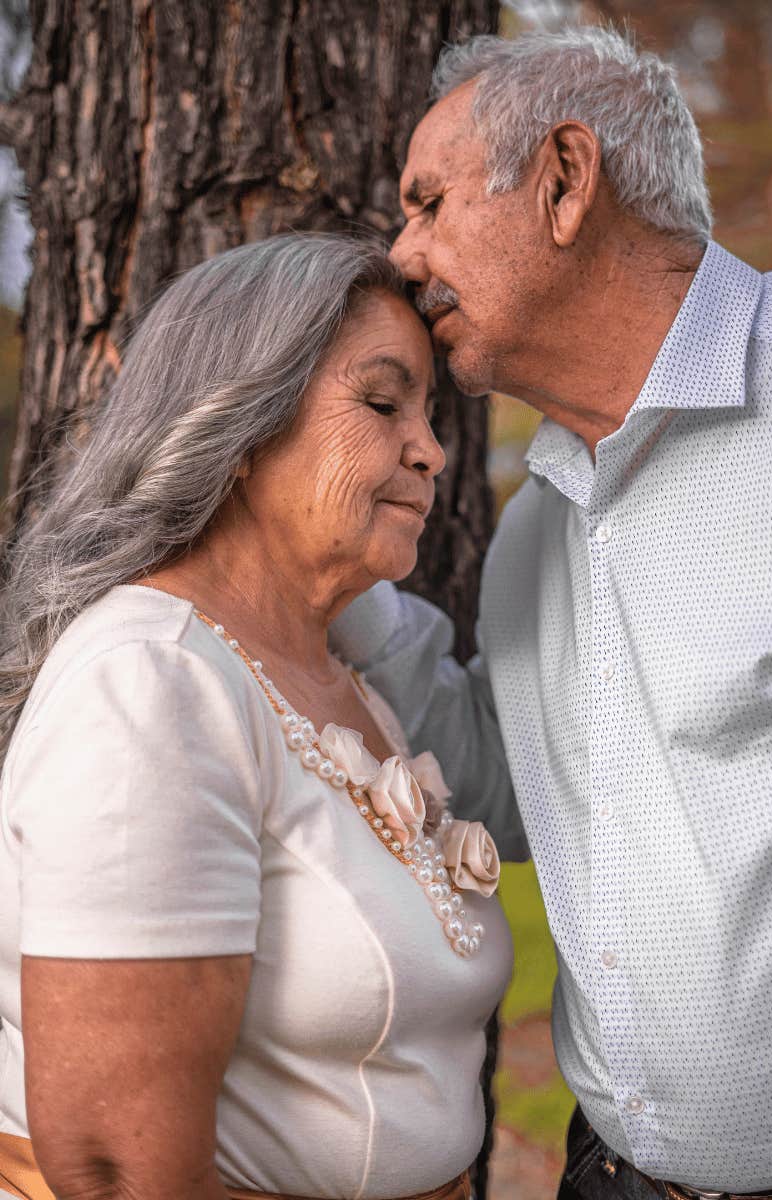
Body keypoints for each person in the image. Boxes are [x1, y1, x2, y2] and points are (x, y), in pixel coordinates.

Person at [329, 23, 772, 1200]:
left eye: (428, 203)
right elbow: (517, 799)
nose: (403, 256)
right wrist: (332, 573)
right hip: (602, 1177)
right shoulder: (535, 527)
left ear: (565, 180)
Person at [0, 233, 513, 1200]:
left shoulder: (337, 681)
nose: (432, 451)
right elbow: (115, 1169)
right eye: (380, 402)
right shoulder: (150, 683)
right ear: (238, 426)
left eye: (430, 415)